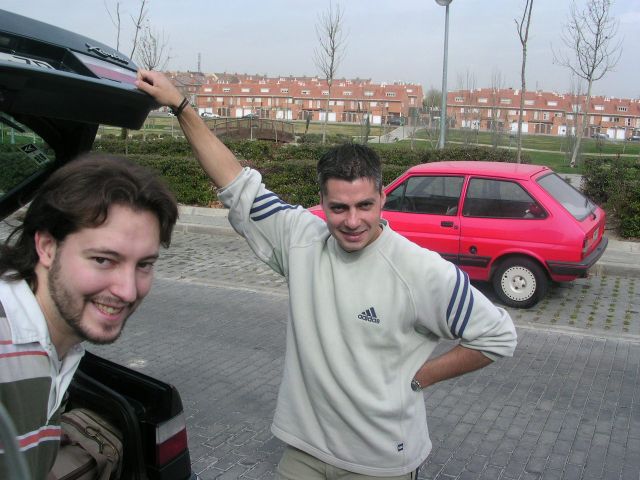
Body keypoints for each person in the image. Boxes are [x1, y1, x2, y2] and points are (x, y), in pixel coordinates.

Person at [136, 70, 517, 479]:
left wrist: (417, 378)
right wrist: (181, 107)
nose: (352, 221)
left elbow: (497, 336)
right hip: (305, 451)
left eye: (364, 205)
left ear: (383, 198)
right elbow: (235, 182)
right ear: (322, 201)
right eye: (339, 208)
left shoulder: (420, 270)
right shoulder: (300, 238)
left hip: (381, 462)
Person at [0, 155, 178, 480]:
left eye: (144, 265)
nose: (127, 291)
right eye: (102, 260)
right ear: (47, 246)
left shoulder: (56, 348)